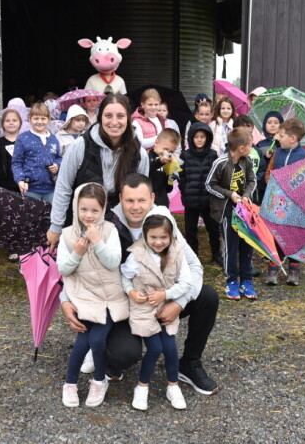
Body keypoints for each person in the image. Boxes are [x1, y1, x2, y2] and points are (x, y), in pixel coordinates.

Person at [61, 175, 220, 396]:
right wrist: (65, 299)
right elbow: (81, 267)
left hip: (161, 295)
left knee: (208, 297)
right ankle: (107, 354)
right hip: (124, 304)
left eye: (142, 200)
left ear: (152, 198)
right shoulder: (105, 223)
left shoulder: (163, 219)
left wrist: (180, 303)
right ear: (120, 200)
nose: (136, 207)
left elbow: (194, 266)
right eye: (129, 201)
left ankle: (190, 363)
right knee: (124, 354)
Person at [46, 94, 150, 250]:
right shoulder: (81, 146)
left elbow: (141, 196)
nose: (114, 122)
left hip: (118, 226)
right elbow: (63, 186)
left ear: (128, 119)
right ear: (100, 118)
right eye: (108, 115)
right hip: (81, 221)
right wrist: (56, 226)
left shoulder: (139, 154)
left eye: (120, 116)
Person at [58, 183, 125, 408]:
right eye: (84, 209)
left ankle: (99, 381)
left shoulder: (109, 230)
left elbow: (113, 262)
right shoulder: (67, 235)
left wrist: (97, 242)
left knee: (97, 340)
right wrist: (77, 253)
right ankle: (70, 383)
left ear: (103, 209)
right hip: (85, 297)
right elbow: (64, 270)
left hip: (109, 298)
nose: (89, 215)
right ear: (76, 207)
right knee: (81, 341)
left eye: (95, 210)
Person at [123, 213, 193, 411]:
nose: (159, 242)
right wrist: (131, 292)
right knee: (154, 348)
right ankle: (142, 386)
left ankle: (173, 386)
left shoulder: (177, 252)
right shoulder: (136, 255)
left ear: (171, 236)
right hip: (144, 309)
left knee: (170, 348)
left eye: (163, 237)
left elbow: (186, 282)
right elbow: (125, 277)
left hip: (165, 306)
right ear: (145, 235)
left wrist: (166, 294)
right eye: (153, 237)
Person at [207, 127, 257, 300]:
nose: (252, 148)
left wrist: (246, 196)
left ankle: (246, 280)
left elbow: (252, 180)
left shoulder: (247, 161)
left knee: (247, 245)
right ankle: (231, 281)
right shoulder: (220, 163)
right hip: (227, 212)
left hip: (245, 212)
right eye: (251, 145)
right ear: (241, 147)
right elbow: (209, 185)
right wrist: (230, 195)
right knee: (231, 247)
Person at [265, 118, 305, 286]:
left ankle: (294, 269)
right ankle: (273, 267)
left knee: (294, 236)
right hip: (277, 203)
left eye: (281, 135)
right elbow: (269, 173)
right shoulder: (277, 153)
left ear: (293, 138)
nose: (278, 137)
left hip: (296, 206)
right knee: (275, 235)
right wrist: (274, 184)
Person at [179, 121, 221, 266]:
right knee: (190, 231)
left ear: (207, 138)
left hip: (208, 200)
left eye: (202, 137)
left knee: (213, 230)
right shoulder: (185, 156)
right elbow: (181, 176)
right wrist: (184, 191)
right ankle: (193, 257)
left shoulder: (213, 155)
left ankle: (216, 254)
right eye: (196, 137)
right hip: (191, 200)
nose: (199, 139)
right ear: (191, 138)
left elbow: (217, 176)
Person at [0, 107, 24, 262]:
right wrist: (0, 185)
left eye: (14, 120)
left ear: (20, 123)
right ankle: (13, 248)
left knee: (23, 217)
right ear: (3, 124)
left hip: (23, 185)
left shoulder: (26, 141)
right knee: (10, 218)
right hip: (6, 186)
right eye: (8, 121)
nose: (11, 123)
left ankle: (25, 246)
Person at [11, 103, 62, 204]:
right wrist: (20, 180)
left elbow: (59, 157)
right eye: (36, 118)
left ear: (48, 119)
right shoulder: (23, 138)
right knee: (32, 218)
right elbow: (16, 162)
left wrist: (57, 164)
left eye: (43, 118)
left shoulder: (53, 138)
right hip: (30, 188)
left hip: (51, 189)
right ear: (30, 119)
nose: (39, 122)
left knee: (49, 218)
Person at [147, 129, 180, 207]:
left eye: (171, 152)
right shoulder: (147, 158)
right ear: (156, 142)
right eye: (165, 149)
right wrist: (160, 162)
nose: (167, 154)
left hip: (162, 203)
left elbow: (168, 189)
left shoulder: (168, 163)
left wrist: (171, 176)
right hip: (148, 204)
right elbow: (147, 170)